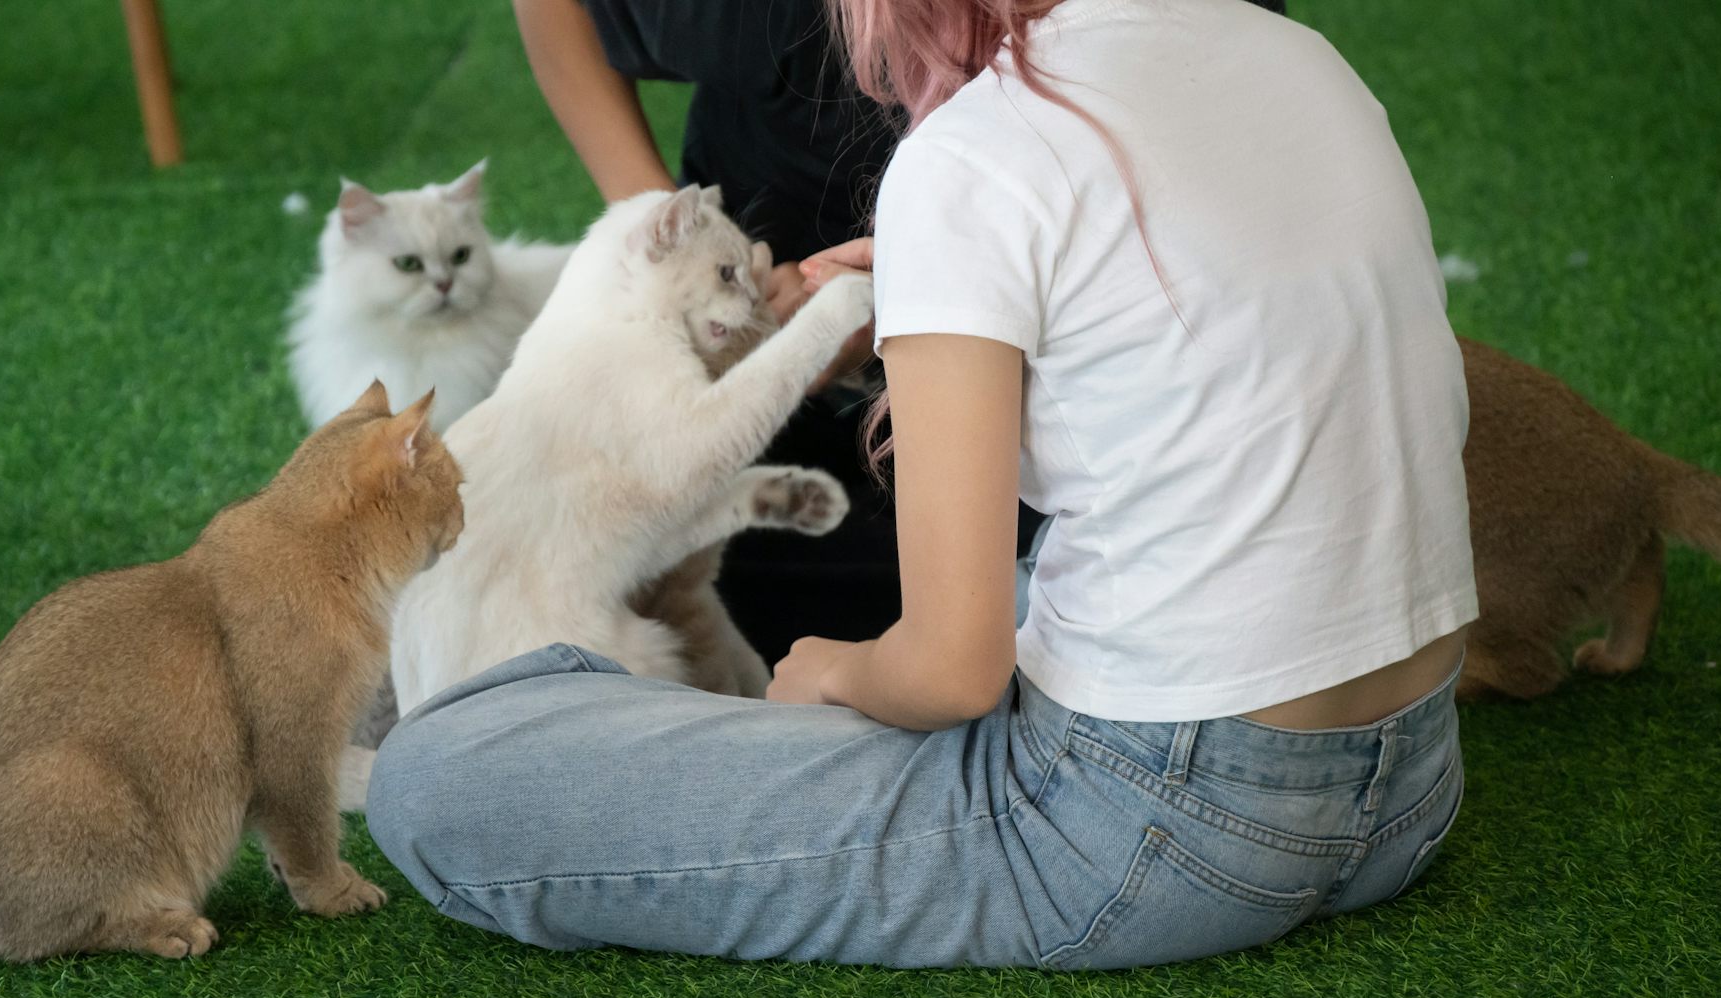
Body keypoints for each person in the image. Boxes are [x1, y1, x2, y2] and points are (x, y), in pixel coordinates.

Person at [368, 0, 1475, 970]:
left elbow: (951, 676)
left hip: (1161, 825)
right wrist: (941, 289)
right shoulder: (1298, 54)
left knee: (438, 780)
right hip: (1415, 783)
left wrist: (833, 677)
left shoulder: (978, 153)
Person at [510, 0, 1283, 661]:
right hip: (803, 322)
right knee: (701, 560)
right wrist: (675, 240)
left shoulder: (1016, 133)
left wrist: (928, 298)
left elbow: (951, 671)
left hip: (1066, 332)